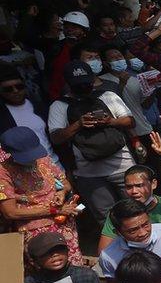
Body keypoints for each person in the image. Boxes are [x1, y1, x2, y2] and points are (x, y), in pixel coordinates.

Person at [48, 60, 136, 230]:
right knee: (107, 219)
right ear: (68, 84)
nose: (83, 87)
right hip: (88, 174)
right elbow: (56, 137)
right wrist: (78, 124)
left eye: (86, 82)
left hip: (123, 167)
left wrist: (110, 121)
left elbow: (130, 121)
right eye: (78, 84)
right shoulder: (59, 106)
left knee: (135, 211)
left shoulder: (108, 96)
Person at [0, 126, 83, 266]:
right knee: (50, 269)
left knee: (73, 266)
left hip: (64, 224)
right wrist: (55, 210)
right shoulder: (3, 172)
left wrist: (61, 192)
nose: (32, 159)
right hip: (37, 232)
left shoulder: (43, 159)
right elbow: (10, 213)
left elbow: (65, 183)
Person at [98, 199, 161, 283]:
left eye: (145, 224)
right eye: (133, 230)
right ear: (118, 232)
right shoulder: (108, 256)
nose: (143, 233)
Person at [99, 165, 161, 252]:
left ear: (153, 184)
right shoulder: (118, 211)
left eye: (139, 185)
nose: (134, 191)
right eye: (129, 187)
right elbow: (104, 251)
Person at [0, 67, 56, 162]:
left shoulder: (39, 106)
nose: (15, 91)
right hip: (25, 170)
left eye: (19, 86)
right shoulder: (2, 117)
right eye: (8, 89)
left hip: (55, 165)